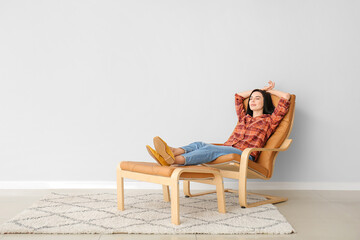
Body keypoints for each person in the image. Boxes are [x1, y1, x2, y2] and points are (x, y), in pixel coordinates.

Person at [146, 80, 291, 166]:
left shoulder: (269, 120)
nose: (252, 100)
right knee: (199, 144)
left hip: (246, 154)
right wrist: (259, 90)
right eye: (252, 98)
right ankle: (170, 151)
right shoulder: (243, 117)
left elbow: (286, 97)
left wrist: (267, 91)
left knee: (209, 149)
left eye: (257, 98)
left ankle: (173, 160)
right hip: (229, 147)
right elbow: (239, 97)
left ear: (265, 101)